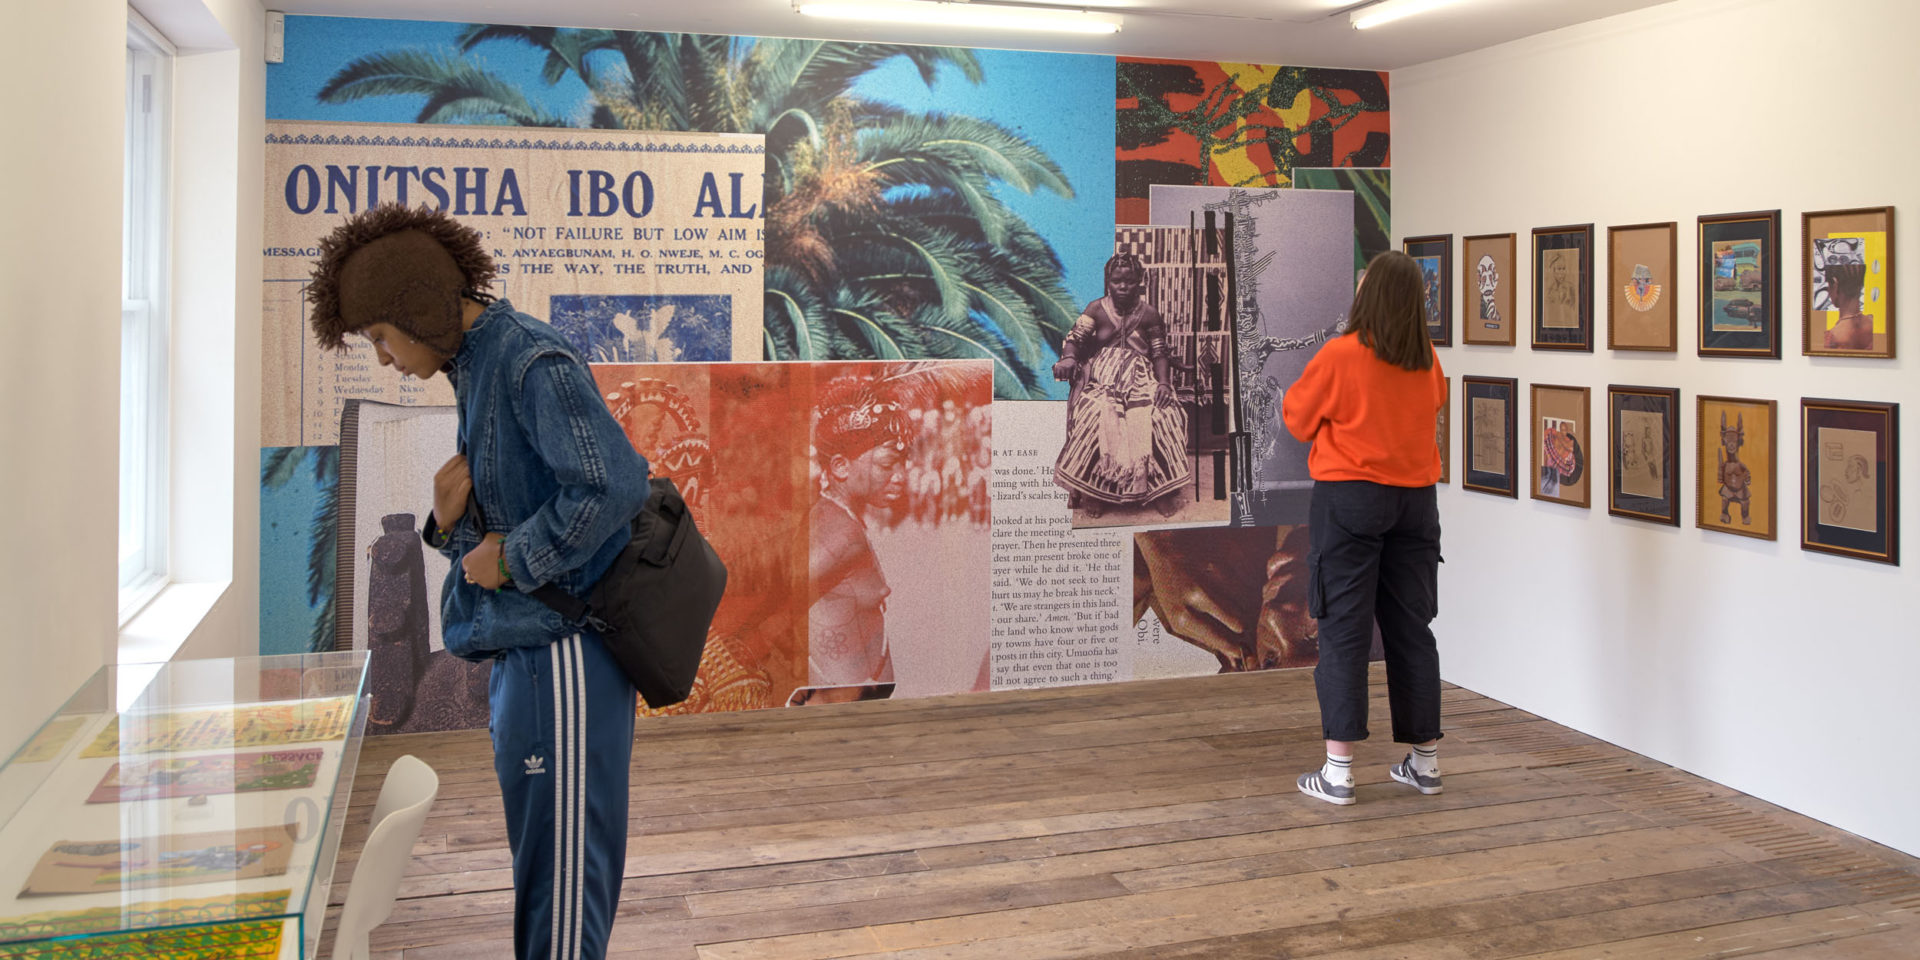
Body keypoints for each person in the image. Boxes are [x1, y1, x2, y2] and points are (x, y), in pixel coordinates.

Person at [306, 203, 650, 960]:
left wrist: (518, 558)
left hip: (558, 652)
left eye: (380, 337)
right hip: (525, 649)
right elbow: (515, 507)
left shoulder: (526, 359)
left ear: (418, 308)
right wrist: (446, 522)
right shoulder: (480, 364)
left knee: (561, 880)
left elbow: (613, 486)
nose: (385, 358)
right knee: (549, 866)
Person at [1281, 250, 1447, 806]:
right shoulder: (1428, 360)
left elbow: (1298, 420)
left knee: (1344, 630)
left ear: (1369, 294)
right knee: (1411, 631)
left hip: (1350, 502)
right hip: (1417, 505)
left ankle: (1339, 774)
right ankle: (1424, 765)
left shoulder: (1341, 355)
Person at [1052, 253, 1190, 519]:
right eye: (1117, 281)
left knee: (1163, 415)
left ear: (1140, 281)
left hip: (1140, 380)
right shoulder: (1096, 309)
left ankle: (1157, 490)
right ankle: (1094, 491)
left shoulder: (1149, 314)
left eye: (1129, 281)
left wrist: (1163, 383)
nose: (1123, 287)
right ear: (1108, 283)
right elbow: (1075, 340)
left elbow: (1159, 353)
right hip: (1102, 380)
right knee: (1093, 415)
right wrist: (1069, 357)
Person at [806, 374, 909, 687]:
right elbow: (774, 591)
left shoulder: (841, 518)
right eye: (887, 463)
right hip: (837, 699)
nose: (900, 476)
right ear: (840, 467)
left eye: (903, 462)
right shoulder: (839, 532)